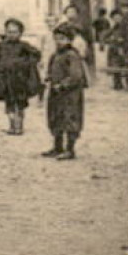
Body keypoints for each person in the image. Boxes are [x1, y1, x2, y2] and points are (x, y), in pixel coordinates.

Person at [0, 18, 43, 136]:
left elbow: (36, 56)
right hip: (5, 78)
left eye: (15, 32)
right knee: (8, 102)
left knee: (20, 102)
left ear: (20, 33)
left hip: (20, 79)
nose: (11, 34)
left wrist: (24, 64)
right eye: (9, 31)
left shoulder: (24, 46)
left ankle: (20, 126)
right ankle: (11, 125)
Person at [44, 25, 89, 160]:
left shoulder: (72, 55)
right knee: (55, 117)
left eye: (62, 39)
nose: (59, 42)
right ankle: (57, 147)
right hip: (56, 93)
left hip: (70, 95)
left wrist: (63, 85)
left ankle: (70, 149)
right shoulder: (55, 55)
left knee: (70, 119)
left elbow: (76, 76)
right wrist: (49, 77)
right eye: (56, 39)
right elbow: (51, 69)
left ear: (70, 40)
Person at [105, 4, 128, 91]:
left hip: (126, 49)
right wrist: (112, 39)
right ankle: (117, 84)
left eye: (118, 17)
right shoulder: (114, 27)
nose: (116, 19)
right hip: (115, 50)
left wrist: (123, 42)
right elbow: (106, 36)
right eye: (114, 18)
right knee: (116, 67)